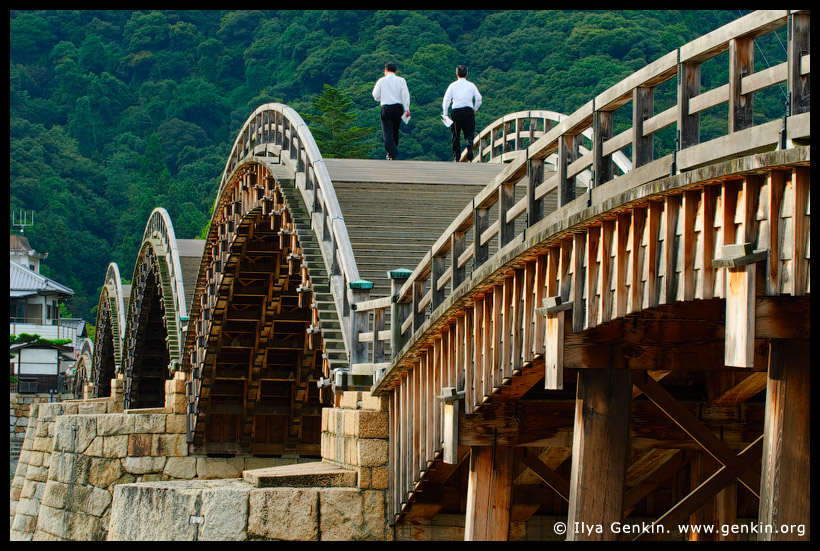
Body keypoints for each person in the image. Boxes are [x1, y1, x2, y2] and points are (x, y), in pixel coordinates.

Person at [442, 65, 482, 161]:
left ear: (457, 74)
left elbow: (446, 99)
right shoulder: (471, 85)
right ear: (467, 74)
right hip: (468, 111)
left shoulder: (452, 85)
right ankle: (469, 143)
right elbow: (479, 99)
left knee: (456, 134)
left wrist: (445, 113)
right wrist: (474, 109)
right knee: (469, 132)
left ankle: (457, 156)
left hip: (457, 111)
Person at [372, 62, 411, 160]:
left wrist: (380, 98)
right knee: (395, 130)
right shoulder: (401, 80)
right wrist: (407, 109)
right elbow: (405, 95)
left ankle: (391, 153)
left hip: (386, 108)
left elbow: (375, 95)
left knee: (387, 131)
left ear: (385, 70)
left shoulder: (381, 81)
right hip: (398, 108)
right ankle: (392, 151)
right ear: (395, 71)